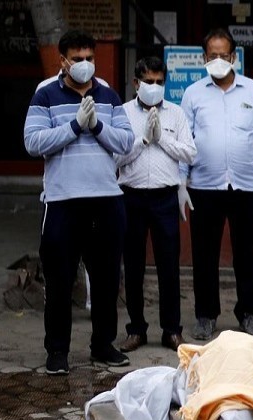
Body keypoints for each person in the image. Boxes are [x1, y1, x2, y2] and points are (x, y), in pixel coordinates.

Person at [23, 29, 134, 375]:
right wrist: (74, 125)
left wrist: (97, 125)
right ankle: (57, 351)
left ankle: (103, 345)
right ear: (63, 61)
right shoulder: (46, 94)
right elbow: (33, 141)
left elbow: (127, 142)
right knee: (59, 280)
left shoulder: (109, 94)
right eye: (78, 59)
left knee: (104, 280)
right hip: (62, 202)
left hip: (105, 200)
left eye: (90, 58)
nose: (85, 65)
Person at [179, 28, 253, 341]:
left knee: (248, 255)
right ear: (204, 58)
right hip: (203, 187)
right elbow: (184, 139)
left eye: (225, 55)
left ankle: (249, 313)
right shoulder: (193, 94)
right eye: (213, 56)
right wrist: (181, 180)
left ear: (234, 57)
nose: (219, 60)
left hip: (245, 186)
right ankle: (206, 316)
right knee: (204, 255)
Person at [115, 57, 197, 353]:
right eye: (148, 81)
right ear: (136, 83)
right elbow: (115, 158)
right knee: (133, 265)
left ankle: (172, 330)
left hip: (164, 197)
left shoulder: (175, 114)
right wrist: (143, 140)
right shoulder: (122, 113)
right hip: (131, 195)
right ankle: (136, 329)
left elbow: (190, 153)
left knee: (168, 266)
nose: (154, 87)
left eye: (159, 81)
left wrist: (162, 139)